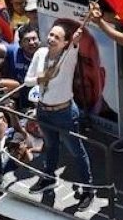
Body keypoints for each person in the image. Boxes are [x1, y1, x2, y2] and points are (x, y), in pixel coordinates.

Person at [23, 21, 94, 205]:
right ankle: (48, 178)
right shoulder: (40, 54)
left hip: (64, 113)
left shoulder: (68, 56)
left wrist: (76, 39)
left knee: (76, 151)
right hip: (43, 110)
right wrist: (42, 77)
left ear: (65, 43)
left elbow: (76, 41)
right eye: (51, 35)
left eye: (57, 37)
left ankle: (88, 189)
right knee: (50, 146)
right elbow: (28, 80)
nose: (52, 39)